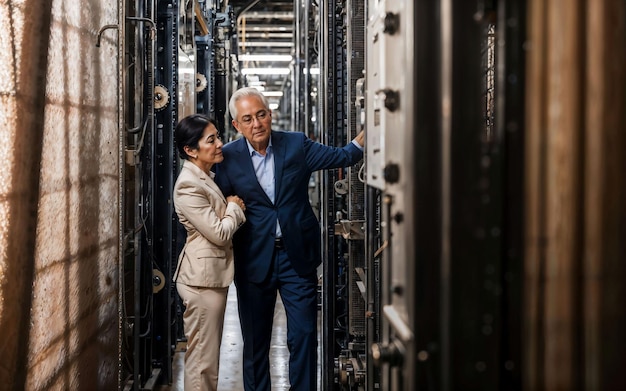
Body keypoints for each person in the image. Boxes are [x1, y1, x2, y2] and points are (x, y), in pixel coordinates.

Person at [214, 87, 365, 390]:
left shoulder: (295, 144)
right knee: (256, 343)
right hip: (254, 260)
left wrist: (373, 128)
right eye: (248, 119)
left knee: (304, 335)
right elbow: (212, 200)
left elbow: (343, 156)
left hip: (297, 257)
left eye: (261, 114)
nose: (257, 124)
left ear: (269, 114)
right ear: (236, 125)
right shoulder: (226, 158)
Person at [172, 114, 247, 391]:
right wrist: (234, 207)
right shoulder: (188, 185)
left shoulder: (204, 177)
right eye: (211, 140)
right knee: (202, 362)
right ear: (190, 150)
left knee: (207, 359)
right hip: (200, 282)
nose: (220, 144)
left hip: (209, 278)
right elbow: (219, 232)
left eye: (218, 137)